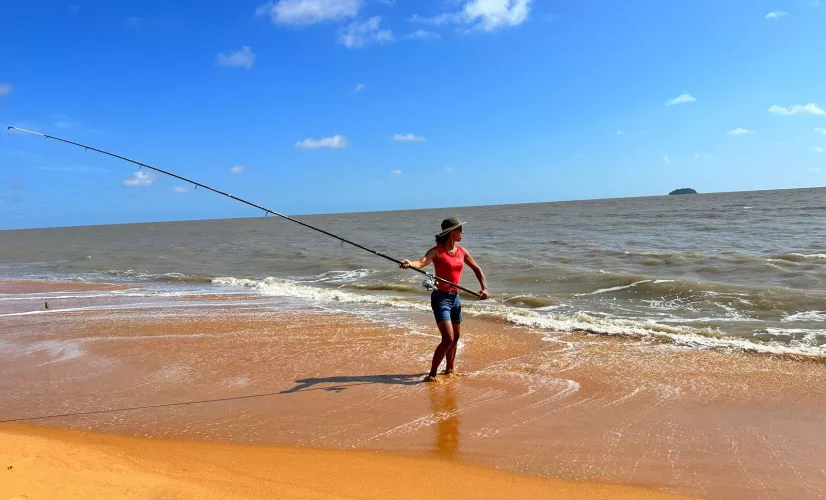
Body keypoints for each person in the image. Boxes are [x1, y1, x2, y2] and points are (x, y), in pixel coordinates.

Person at [400, 217, 488, 381]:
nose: (463, 233)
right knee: (448, 338)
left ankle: (450, 369)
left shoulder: (462, 251)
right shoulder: (437, 251)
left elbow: (477, 268)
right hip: (441, 299)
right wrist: (408, 264)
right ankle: (432, 374)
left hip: (455, 298)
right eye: (460, 230)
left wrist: (484, 288)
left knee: (456, 337)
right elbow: (421, 263)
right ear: (452, 232)